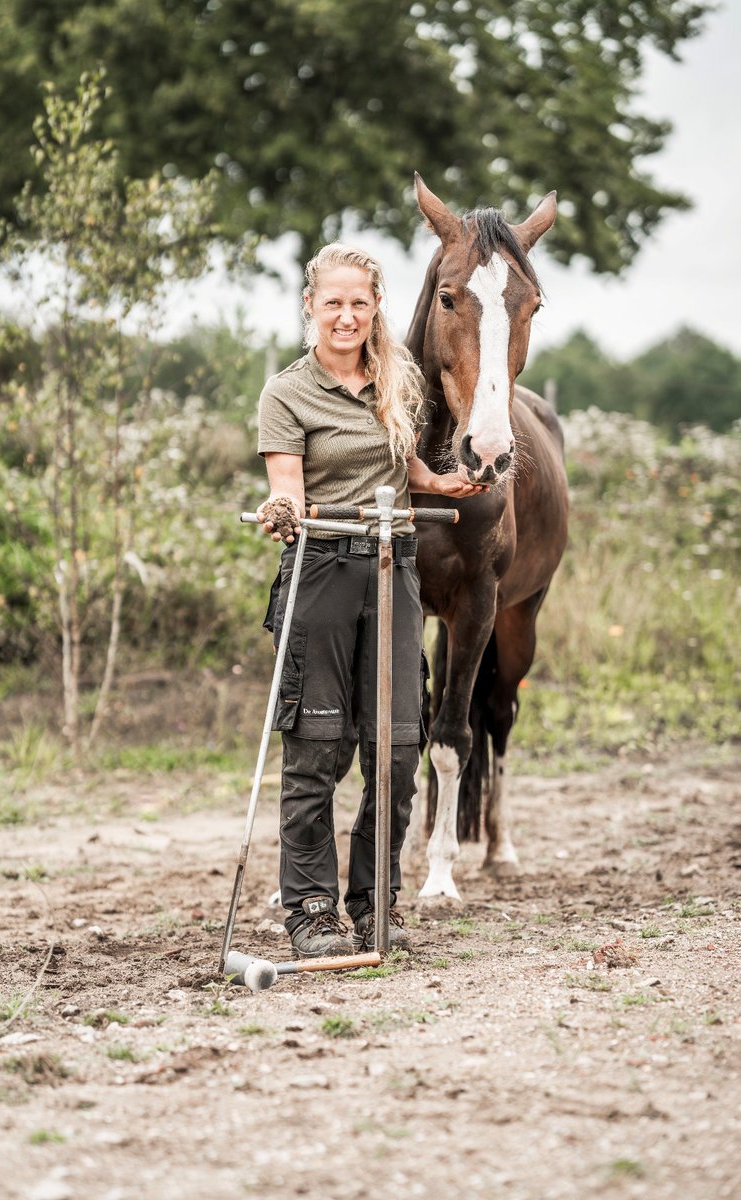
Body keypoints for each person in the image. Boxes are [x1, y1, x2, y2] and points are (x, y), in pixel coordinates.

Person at [256, 243, 485, 959]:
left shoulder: (399, 379)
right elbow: (288, 483)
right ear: (311, 307)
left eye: (360, 302)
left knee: (395, 748)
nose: (346, 315)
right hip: (321, 568)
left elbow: (399, 458)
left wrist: (440, 484)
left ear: (376, 305)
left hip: (394, 567)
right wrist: (283, 509)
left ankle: (374, 899)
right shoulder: (286, 393)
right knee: (318, 746)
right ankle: (313, 910)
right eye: (334, 302)